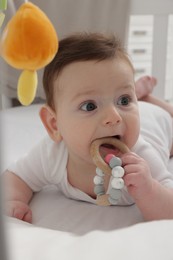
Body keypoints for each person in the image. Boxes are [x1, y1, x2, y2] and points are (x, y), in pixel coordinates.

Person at [2, 32, 173, 224]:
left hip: (159, 124)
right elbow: (17, 177)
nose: (114, 117)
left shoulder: (140, 158)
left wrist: (149, 189)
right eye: (89, 106)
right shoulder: (52, 155)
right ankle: (140, 95)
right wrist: (13, 201)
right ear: (54, 124)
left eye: (124, 100)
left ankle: (150, 101)